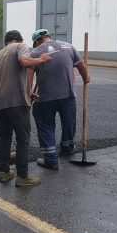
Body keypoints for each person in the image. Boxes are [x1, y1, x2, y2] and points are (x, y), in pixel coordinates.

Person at [0, 30, 51, 187]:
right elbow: (24, 62)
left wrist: (28, 91)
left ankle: (4, 172)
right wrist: (41, 59)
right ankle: (23, 177)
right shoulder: (20, 46)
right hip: (17, 103)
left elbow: (9, 79)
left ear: (6, 42)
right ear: (19, 40)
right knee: (23, 138)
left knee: (5, 138)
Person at [30, 29, 90, 170]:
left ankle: (51, 159)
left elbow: (29, 74)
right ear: (49, 37)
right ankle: (67, 148)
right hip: (67, 94)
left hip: (44, 97)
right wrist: (86, 77)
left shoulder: (35, 52)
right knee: (69, 122)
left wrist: (29, 92)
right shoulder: (68, 46)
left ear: (37, 41)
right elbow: (81, 66)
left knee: (45, 125)